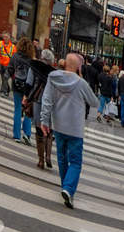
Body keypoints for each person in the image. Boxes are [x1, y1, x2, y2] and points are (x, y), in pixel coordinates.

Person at [40, 51, 98, 209]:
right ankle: (68, 189)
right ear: (79, 68)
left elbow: (46, 100)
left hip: (58, 125)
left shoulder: (53, 78)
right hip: (75, 129)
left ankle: (66, 187)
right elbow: (94, 102)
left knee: (62, 158)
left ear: (65, 64)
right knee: (76, 162)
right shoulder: (81, 83)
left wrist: (45, 120)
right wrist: (82, 78)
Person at [27, 49, 56, 170]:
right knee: (49, 130)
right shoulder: (54, 73)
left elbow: (29, 83)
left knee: (39, 129)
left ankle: (41, 160)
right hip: (51, 103)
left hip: (38, 100)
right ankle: (48, 156)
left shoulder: (34, 67)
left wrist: (26, 98)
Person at [9, 36, 36, 142]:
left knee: (17, 109)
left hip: (16, 85)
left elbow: (10, 69)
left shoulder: (15, 56)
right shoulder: (31, 61)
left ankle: (16, 135)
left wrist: (13, 77)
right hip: (28, 88)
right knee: (28, 111)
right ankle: (27, 134)